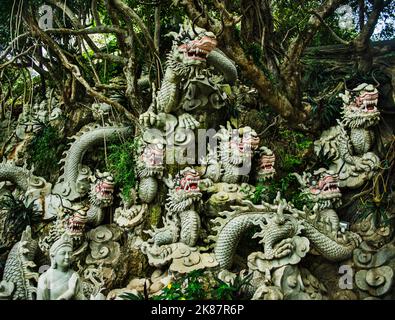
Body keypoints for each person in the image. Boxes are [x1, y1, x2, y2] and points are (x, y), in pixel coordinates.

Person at [37, 233, 86, 300]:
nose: (67, 257)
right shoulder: (45, 278)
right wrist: (70, 292)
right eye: (63, 253)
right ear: (53, 256)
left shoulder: (74, 275)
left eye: (70, 253)